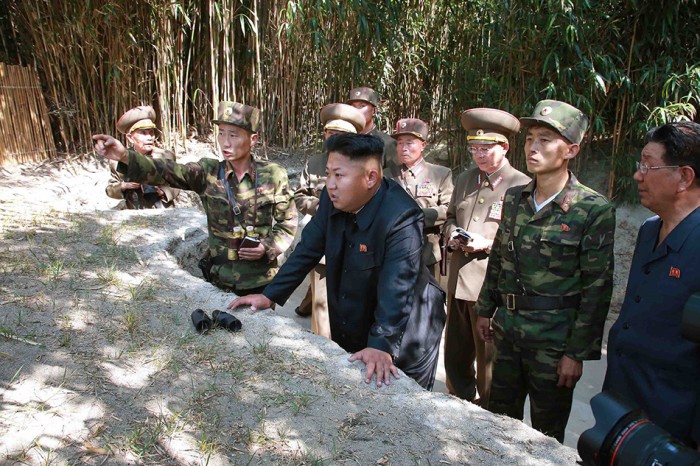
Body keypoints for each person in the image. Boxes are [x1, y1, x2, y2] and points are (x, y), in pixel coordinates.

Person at [229, 133, 446, 390]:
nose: (330, 184)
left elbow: (397, 285)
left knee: (400, 395)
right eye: (328, 174)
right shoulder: (333, 200)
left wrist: (381, 344)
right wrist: (269, 295)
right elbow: (307, 249)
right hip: (358, 312)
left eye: (339, 175)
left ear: (371, 178)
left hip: (408, 328)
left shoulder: (402, 217)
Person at [474, 100, 616, 443]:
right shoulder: (514, 198)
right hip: (509, 332)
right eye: (530, 139)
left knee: (546, 436)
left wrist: (575, 354)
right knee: (497, 425)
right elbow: (500, 257)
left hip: (554, 344)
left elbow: (596, 289)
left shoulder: (592, 209)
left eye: (545, 140)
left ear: (571, 150)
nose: (533, 147)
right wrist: (485, 309)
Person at [94, 101, 297, 295]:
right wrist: (124, 156)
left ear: (253, 139)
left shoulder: (273, 175)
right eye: (221, 133)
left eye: (233, 135)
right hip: (220, 280)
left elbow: (287, 223)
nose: (225, 142)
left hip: (261, 282)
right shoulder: (208, 172)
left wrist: (266, 247)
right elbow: (169, 171)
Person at [603, 121, 700, 448]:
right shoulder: (649, 230)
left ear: (684, 177)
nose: (637, 175)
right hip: (622, 401)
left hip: (671, 419)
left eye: (648, 165)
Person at [443, 108, 530, 406]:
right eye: (474, 148)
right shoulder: (465, 179)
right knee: (455, 353)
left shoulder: (521, 185)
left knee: (488, 358)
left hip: (490, 288)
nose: (478, 155)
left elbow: (524, 239)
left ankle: (489, 412)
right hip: (458, 281)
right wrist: (451, 233)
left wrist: (487, 244)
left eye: (486, 148)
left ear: (504, 147)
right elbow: (450, 216)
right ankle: (458, 402)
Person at [293, 103, 365, 337]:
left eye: (341, 135)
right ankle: (324, 347)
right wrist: (322, 207)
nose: (334, 139)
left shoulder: (364, 165)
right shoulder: (314, 163)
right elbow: (299, 196)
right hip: (322, 238)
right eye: (330, 133)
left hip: (354, 240)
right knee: (321, 303)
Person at [388, 118, 453, 278]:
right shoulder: (386, 175)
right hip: (392, 250)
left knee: (428, 293)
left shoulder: (440, 174)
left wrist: (415, 216)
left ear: (423, 145)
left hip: (427, 251)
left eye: (409, 143)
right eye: (400, 143)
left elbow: (449, 209)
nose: (403, 148)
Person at [106, 105, 180, 209]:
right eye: (143, 133)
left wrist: (163, 192)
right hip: (134, 210)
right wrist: (124, 186)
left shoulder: (166, 156)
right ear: (130, 138)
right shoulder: (119, 160)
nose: (149, 138)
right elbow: (110, 190)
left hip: (163, 209)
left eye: (151, 133)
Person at [346, 86, 397, 169]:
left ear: (374, 111)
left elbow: (394, 174)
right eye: (353, 106)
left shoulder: (387, 143)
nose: (356, 111)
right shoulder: (344, 140)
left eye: (362, 106)